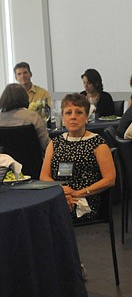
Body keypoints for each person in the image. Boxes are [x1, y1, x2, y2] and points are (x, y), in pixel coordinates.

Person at [40, 93, 116, 223]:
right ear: (63, 118)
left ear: (86, 117)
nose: (73, 117)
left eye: (79, 112)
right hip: (59, 195)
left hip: (85, 199)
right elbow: (44, 176)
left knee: (43, 217)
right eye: (68, 113)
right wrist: (62, 192)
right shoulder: (55, 143)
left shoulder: (97, 143)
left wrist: (77, 193)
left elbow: (110, 179)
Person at [0, 83, 50, 151]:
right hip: (33, 160)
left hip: (7, 161)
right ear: (24, 97)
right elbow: (46, 145)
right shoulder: (33, 117)